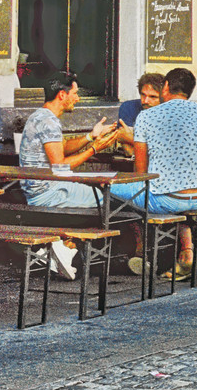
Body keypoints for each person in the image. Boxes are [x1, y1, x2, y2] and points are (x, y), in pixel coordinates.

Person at [117, 68, 197, 280]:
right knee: (173, 194)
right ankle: (187, 252)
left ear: (165, 87)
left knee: (108, 190)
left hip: (170, 199)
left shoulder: (146, 116)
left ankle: (138, 252)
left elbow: (140, 172)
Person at [17, 73, 124, 277]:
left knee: (99, 195)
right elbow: (60, 166)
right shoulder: (49, 121)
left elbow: (61, 148)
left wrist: (90, 136)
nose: (78, 98)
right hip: (48, 192)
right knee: (109, 200)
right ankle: (65, 246)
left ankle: (60, 245)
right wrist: (95, 148)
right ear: (62, 95)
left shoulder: (40, 116)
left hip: (38, 189)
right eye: (75, 93)